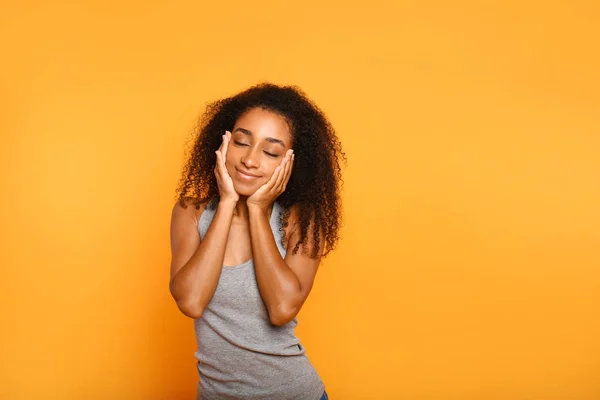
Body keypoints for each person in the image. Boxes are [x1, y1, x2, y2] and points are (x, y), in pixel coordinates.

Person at [169, 83, 345, 400]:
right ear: (223, 143)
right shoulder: (191, 213)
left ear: (290, 163)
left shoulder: (302, 222)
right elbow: (191, 302)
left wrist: (257, 210)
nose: (250, 160)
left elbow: (281, 309)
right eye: (241, 142)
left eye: (270, 152)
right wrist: (225, 204)